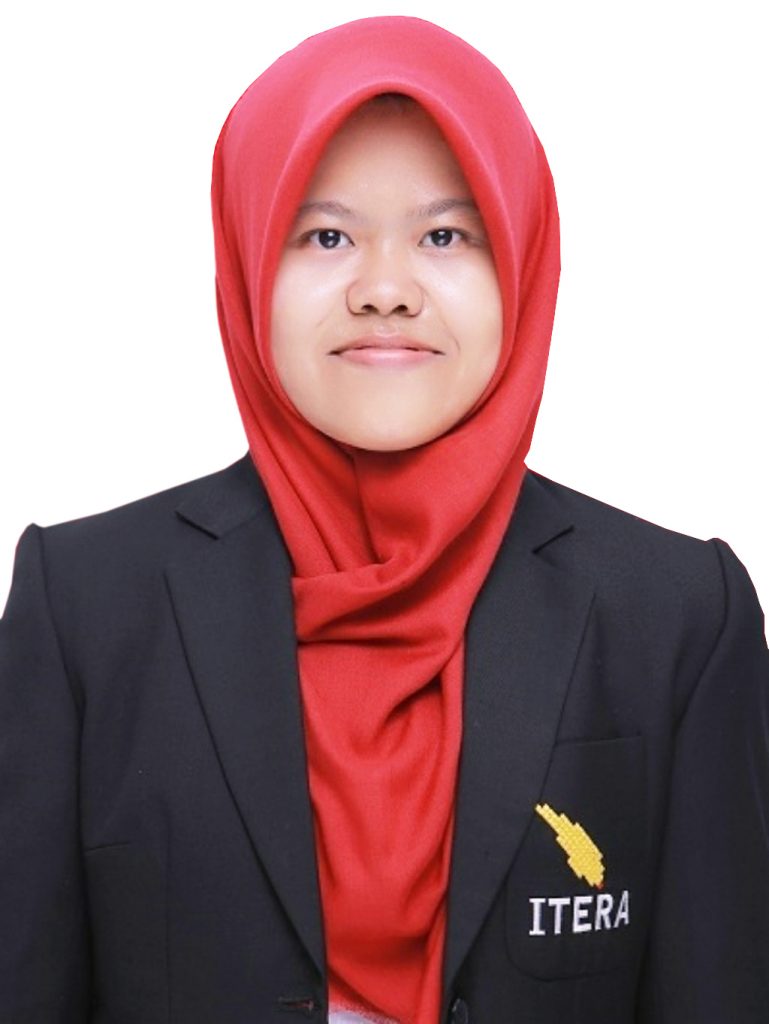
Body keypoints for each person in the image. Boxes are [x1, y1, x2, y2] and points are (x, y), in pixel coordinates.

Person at [1, 14, 767, 1024]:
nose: (385, 291)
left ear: (522, 261)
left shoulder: (675, 615)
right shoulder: (86, 606)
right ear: (247, 262)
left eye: (445, 235)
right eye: (325, 235)